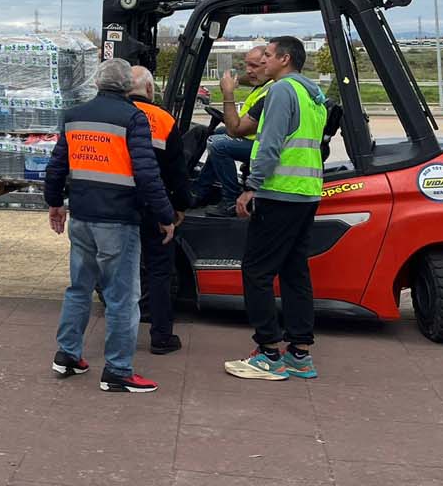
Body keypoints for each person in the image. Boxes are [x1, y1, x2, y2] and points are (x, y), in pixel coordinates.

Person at [45, 58, 176, 393]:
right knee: (122, 298)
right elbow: (147, 173)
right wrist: (165, 215)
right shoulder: (132, 118)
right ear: (126, 86)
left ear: (97, 82)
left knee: (78, 288)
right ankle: (118, 370)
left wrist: (55, 204)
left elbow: (58, 165)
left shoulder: (75, 116)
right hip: (118, 220)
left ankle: (68, 355)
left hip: (83, 217)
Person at [224, 35, 327, 382]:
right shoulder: (314, 95)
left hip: (278, 192)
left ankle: (268, 352)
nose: (262, 61)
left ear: (284, 59)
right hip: (306, 193)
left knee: (256, 271)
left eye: (267, 55)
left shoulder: (281, 91)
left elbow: (270, 143)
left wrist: (251, 187)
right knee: (296, 273)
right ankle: (300, 353)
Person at [128, 65, 189, 355]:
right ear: (150, 89)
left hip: (120, 205)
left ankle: (122, 334)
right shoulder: (164, 119)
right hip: (155, 205)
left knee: (121, 272)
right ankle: (161, 335)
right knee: (159, 271)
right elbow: (178, 171)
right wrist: (179, 206)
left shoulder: (115, 117)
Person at [198, 46, 273, 217]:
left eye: (253, 66)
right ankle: (201, 190)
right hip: (258, 139)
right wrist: (233, 79)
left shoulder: (271, 92)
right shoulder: (265, 84)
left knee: (217, 144)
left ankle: (230, 200)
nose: (248, 70)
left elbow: (236, 130)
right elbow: (248, 78)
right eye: (247, 65)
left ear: (267, 63)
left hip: (262, 146)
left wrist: (228, 93)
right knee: (218, 134)